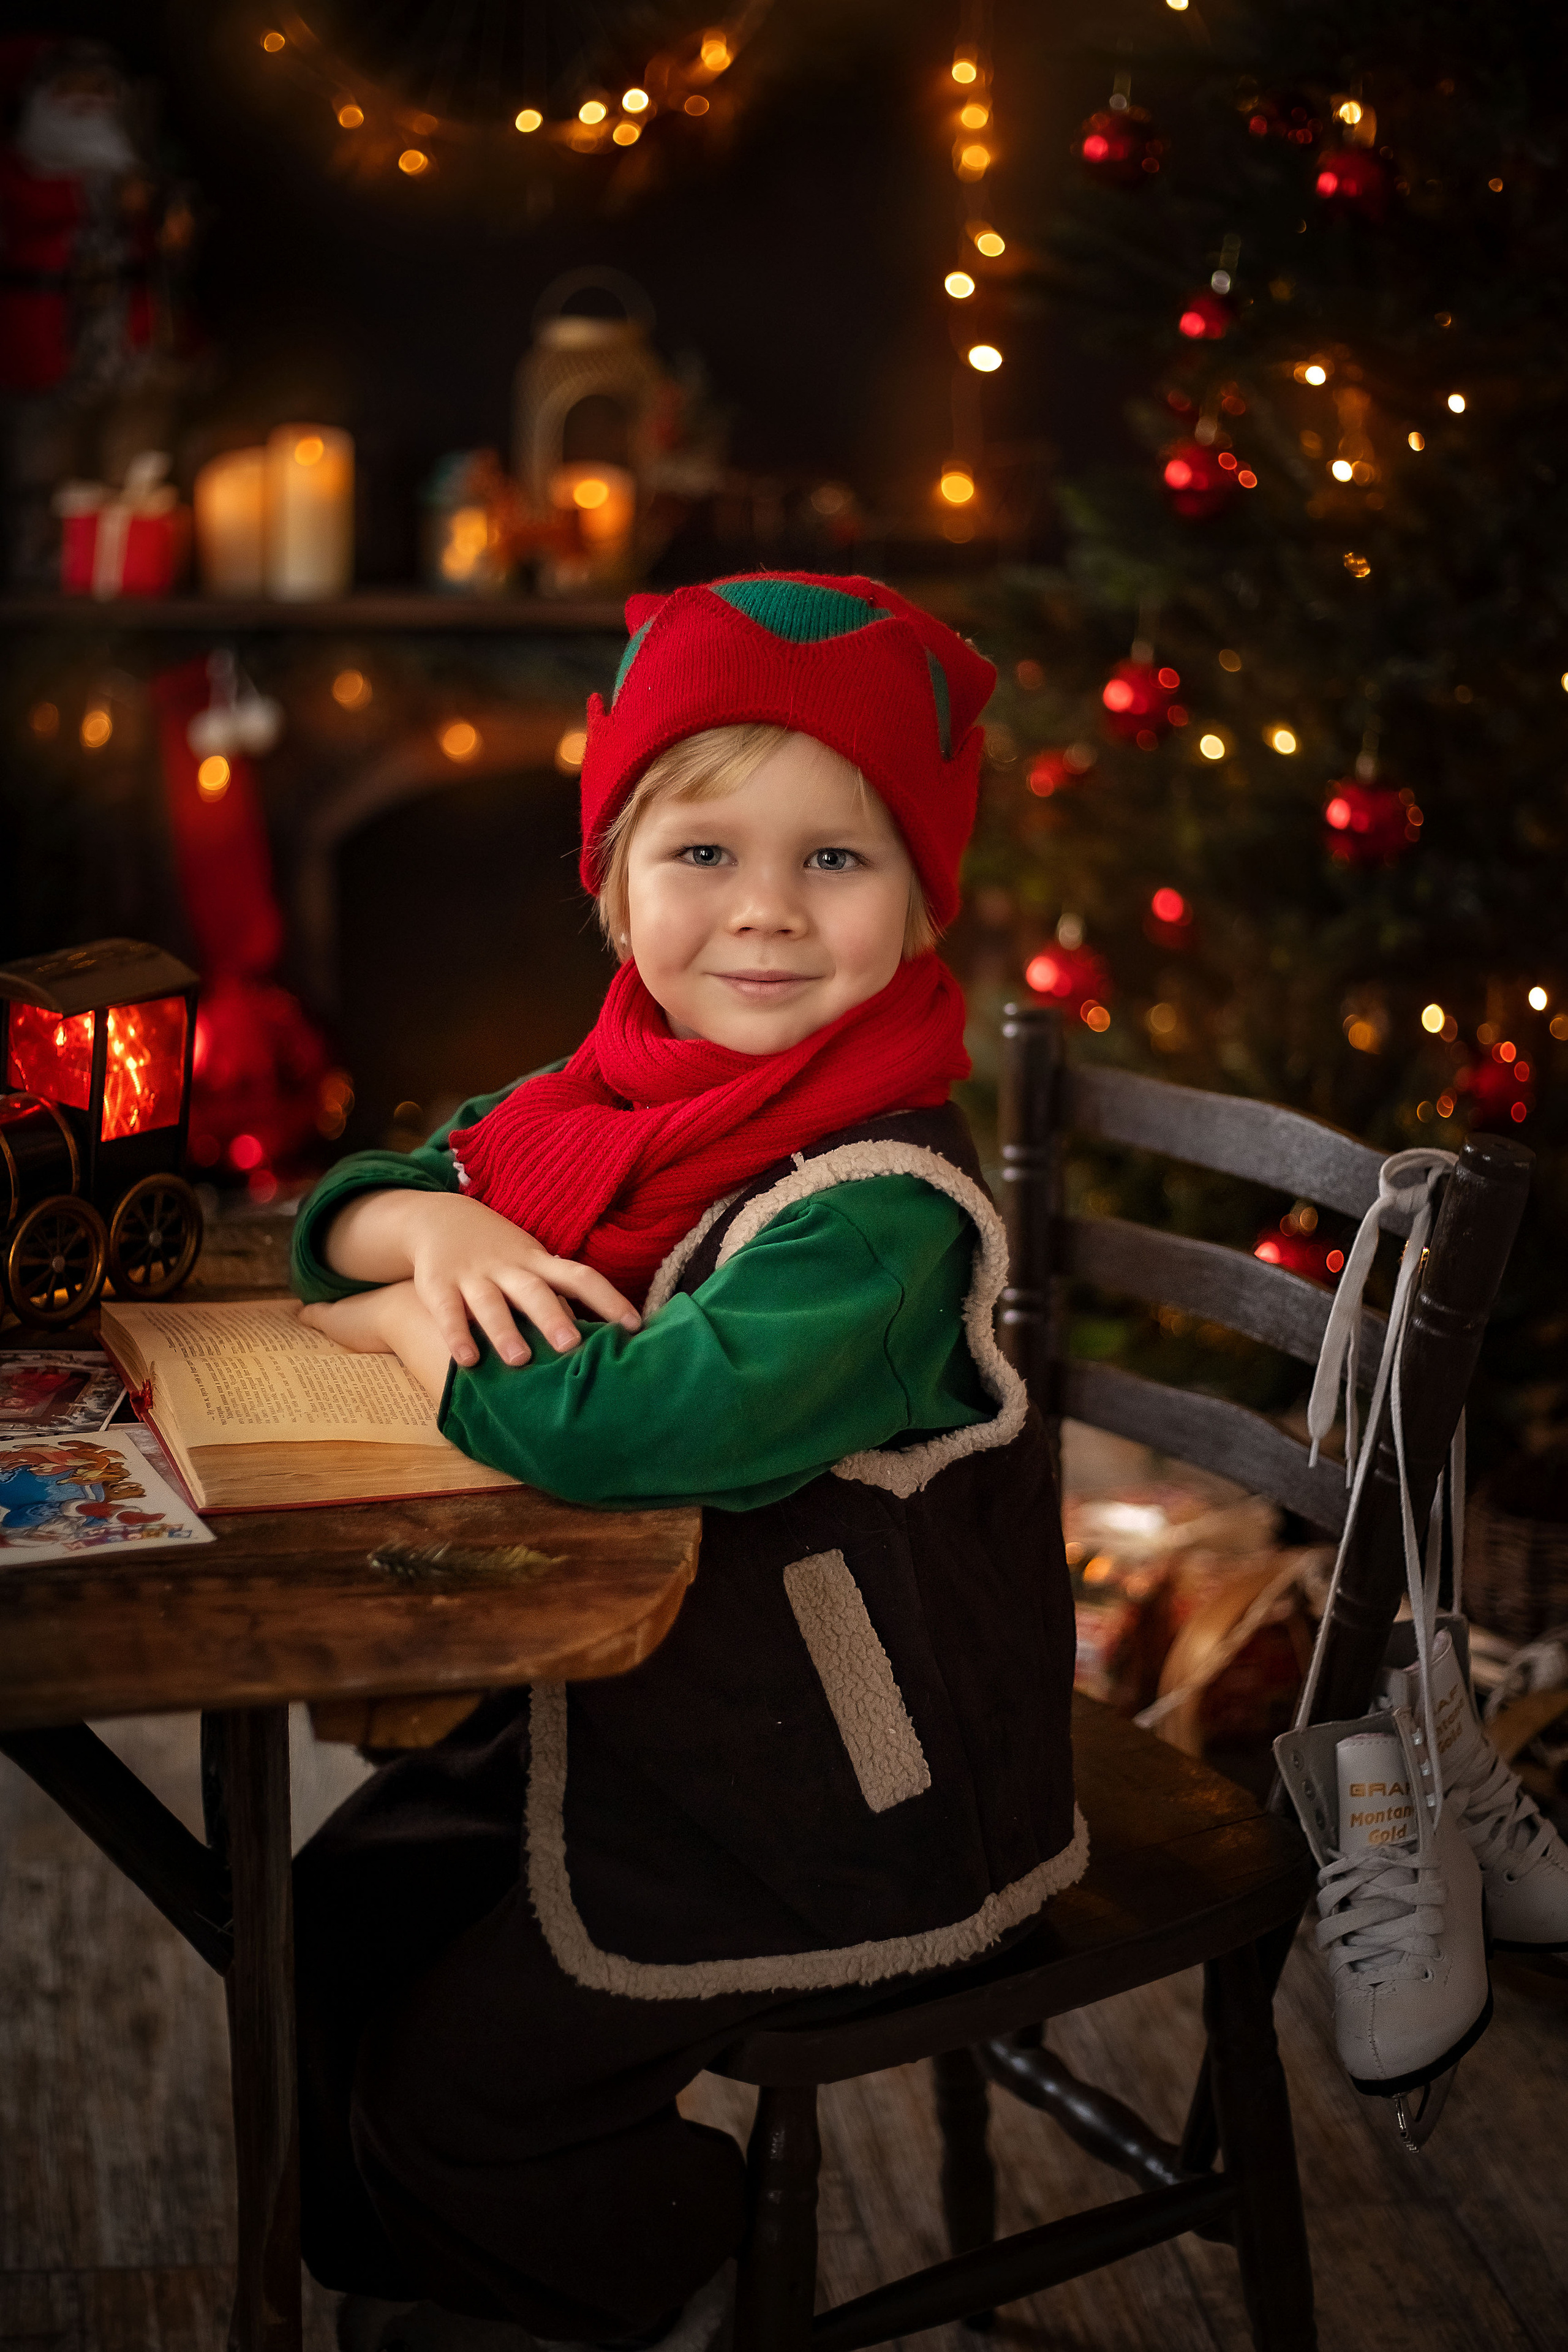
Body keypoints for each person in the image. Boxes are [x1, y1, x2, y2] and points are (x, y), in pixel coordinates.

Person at [289, 572, 1084, 2352]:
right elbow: (341, 1203)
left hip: (842, 1788)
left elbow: (632, 1428)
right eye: (704, 854)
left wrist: (427, 1325)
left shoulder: (876, 1217)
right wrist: (429, 1233)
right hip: (658, 1704)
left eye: (837, 860)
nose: (767, 917)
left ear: (921, 899)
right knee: (331, 1916)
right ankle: (447, 2290)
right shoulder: (612, 1101)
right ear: (615, 886)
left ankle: (680, 2267)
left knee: (458, 2094)